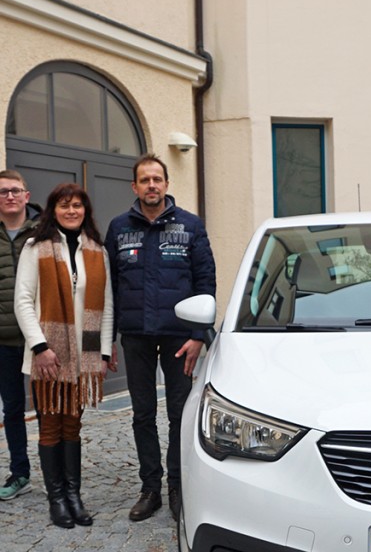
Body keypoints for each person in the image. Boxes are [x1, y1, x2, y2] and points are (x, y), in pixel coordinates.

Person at [105, 153, 215, 523]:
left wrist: (199, 334)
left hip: (179, 339)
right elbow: (112, 290)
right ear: (134, 187)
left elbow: (205, 282)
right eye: (144, 180)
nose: (152, 185)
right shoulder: (119, 228)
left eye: (157, 179)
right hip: (135, 336)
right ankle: (150, 488)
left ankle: (178, 487)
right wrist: (109, 340)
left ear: (167, 184)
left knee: (180, 415)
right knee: (142, 415)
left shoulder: (190, 226)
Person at [14, 183, 115, 528]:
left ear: (85, 210)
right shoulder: (35, 247)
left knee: (73, 425)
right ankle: (56, 498)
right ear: (52, 210)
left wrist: (102, 353)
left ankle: (74, 495)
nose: (71, 211)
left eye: (77, 205)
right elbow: (23, 301)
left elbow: (107, 306)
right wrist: (40, 347)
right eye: (64, 205)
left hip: (83, 355)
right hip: (49, 354)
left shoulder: (97, 251)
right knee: (50, 427)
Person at [0, 171, 40, 502]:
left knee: (48, 409)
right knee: (12, 409)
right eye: (3, 192)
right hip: (4, 341)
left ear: (26, 196)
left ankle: (57, 474)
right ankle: (21, 473)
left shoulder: (44, 232)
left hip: (40, 340)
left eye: (15, 191)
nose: (9, 196)